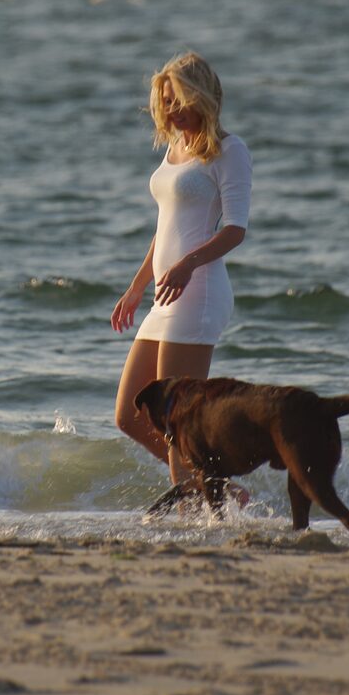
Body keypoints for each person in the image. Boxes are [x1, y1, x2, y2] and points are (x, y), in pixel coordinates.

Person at [112, 51, 251, 492]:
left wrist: (188, 264)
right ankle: (219, 489)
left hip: (200, 292)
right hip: (165, 296)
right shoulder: (175, 150)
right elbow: (165, 228)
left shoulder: (229, 152)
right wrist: (137, 288)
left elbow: (235, 230)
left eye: (178, 100)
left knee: (176, 422)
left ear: (202, 97)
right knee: (130, 415)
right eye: (165, 101)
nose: (170, 110)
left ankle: (195, 513)